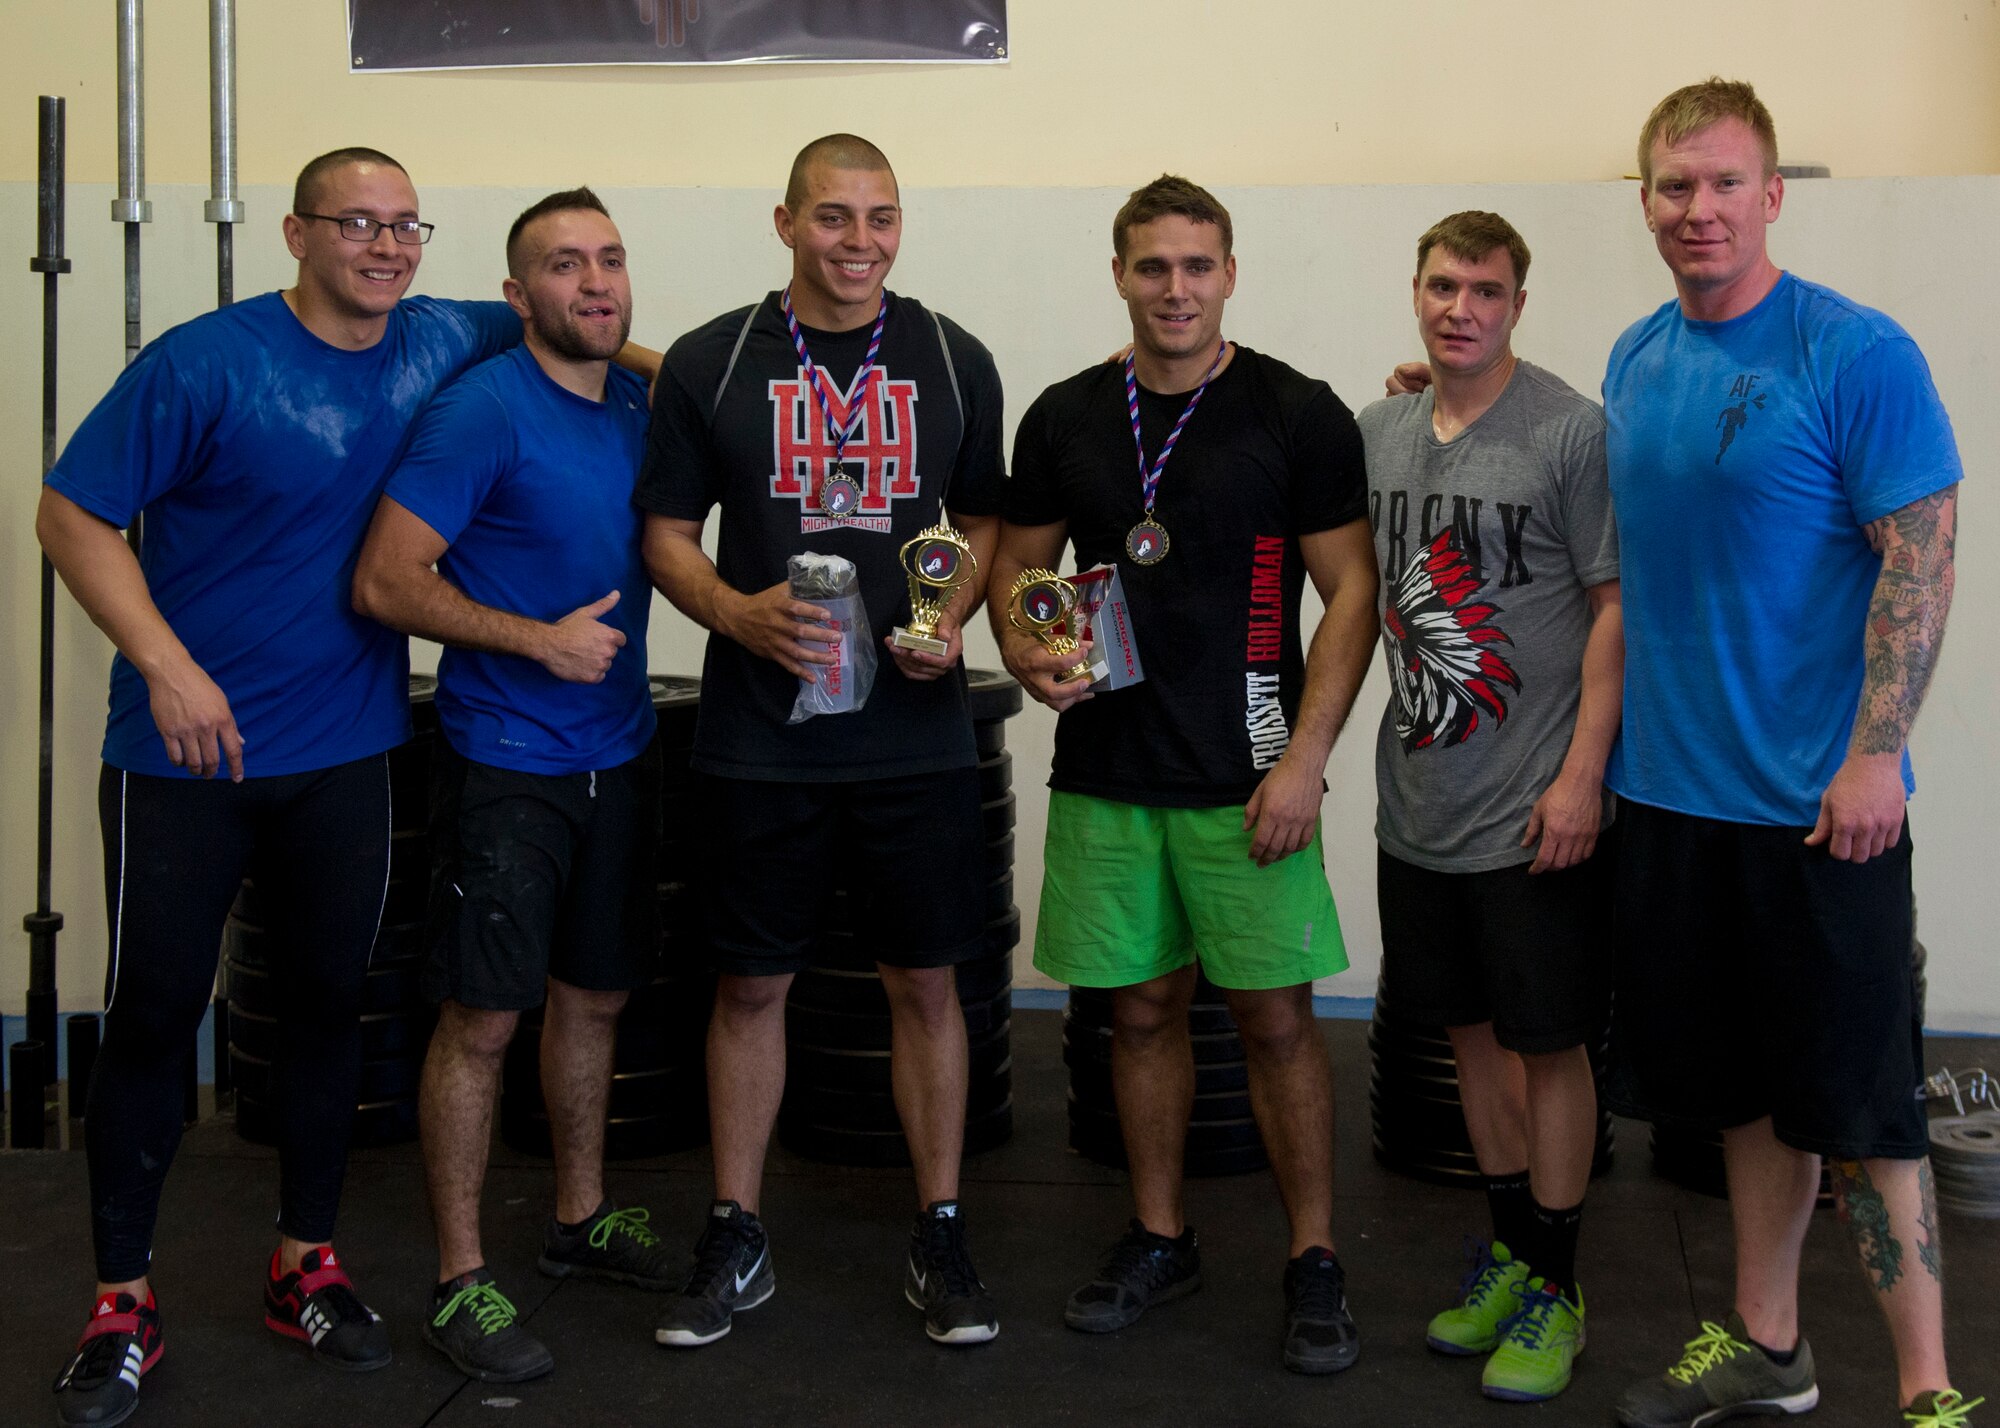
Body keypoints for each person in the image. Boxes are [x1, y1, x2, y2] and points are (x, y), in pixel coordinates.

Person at [37, 147, 524, 1427]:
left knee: (323, 1010)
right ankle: (120, 1301)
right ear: (299, 235)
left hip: (346, 753)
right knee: (152, 1016)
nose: (386, 245)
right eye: (357, 224)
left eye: (406, 225)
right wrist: (169, 669)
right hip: (182, 753)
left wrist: (685, 386)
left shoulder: (437, 339)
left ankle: (304, 1266)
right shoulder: (204, 362)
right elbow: (70, 515)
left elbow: (565, 313)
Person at [1599, 80, 1972, 1427]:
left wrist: (1879, 755)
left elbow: (1921, 560)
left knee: (1867, 1112)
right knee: (1745, 1101)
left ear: (1770, 196)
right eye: (1671, 185)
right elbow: (1637, 561)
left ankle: (1929, 1389)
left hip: (1824, 814)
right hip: (1674, 805)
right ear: (1642, 201)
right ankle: (1771, 1344)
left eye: (1722, 184)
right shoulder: (1637, 358)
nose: (1698, 209)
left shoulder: (1853, 354)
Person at [990, 174, 1379, 1375]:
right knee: (1141, 1011)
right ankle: (1159, 1234)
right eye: (1152, 266)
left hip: (1250, 778)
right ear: (1118, 273)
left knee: (1273, 1021)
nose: (1175, 288)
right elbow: (1017, 572)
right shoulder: (1061, 415)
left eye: (1196, 265)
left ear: (1227, 273)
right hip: (1109, 773)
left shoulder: (1294, 410)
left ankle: (1313, 1257)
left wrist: (1305, 763)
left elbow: (1351, 593)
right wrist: (1026, 648)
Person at [638, 134, 1006, 1349]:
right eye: (835, 218)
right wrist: (736, 615)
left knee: (926, 982)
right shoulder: (712, 359)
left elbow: (986, 521)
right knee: (749, 984)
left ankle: (940, 1226)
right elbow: (666, 535)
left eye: (882, 219)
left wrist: (947, 617)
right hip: (760, 735)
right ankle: (735, 1227)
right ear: (785, 221)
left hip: (913, 736)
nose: (860, 243)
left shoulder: (954, 358)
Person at [351, 188, 671, 1383]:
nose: (593, 281)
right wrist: (535, 641)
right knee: (483, 1021)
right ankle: (459, 1280)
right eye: (561, 264)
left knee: (590, 1000)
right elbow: (386, 581)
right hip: (506, 760)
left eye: (609, 259)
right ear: (513, 294)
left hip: (621, 750)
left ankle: (580, 1220)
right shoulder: (478, 411)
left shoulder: (641, 403)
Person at [1356, 210, 1621, 1403]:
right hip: (1417, 808)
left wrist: (1580, 778)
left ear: (1518, 302)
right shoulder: (1378, 433)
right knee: (1466, 1040)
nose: (1459, 307)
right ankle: (1513, 1259)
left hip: (1533, 813)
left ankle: (1558, 1289)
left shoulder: (1570, 434)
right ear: (1414, 293)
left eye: (1484, 290)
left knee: (1548, 1047)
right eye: (1441, 285)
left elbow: (1616, 610)